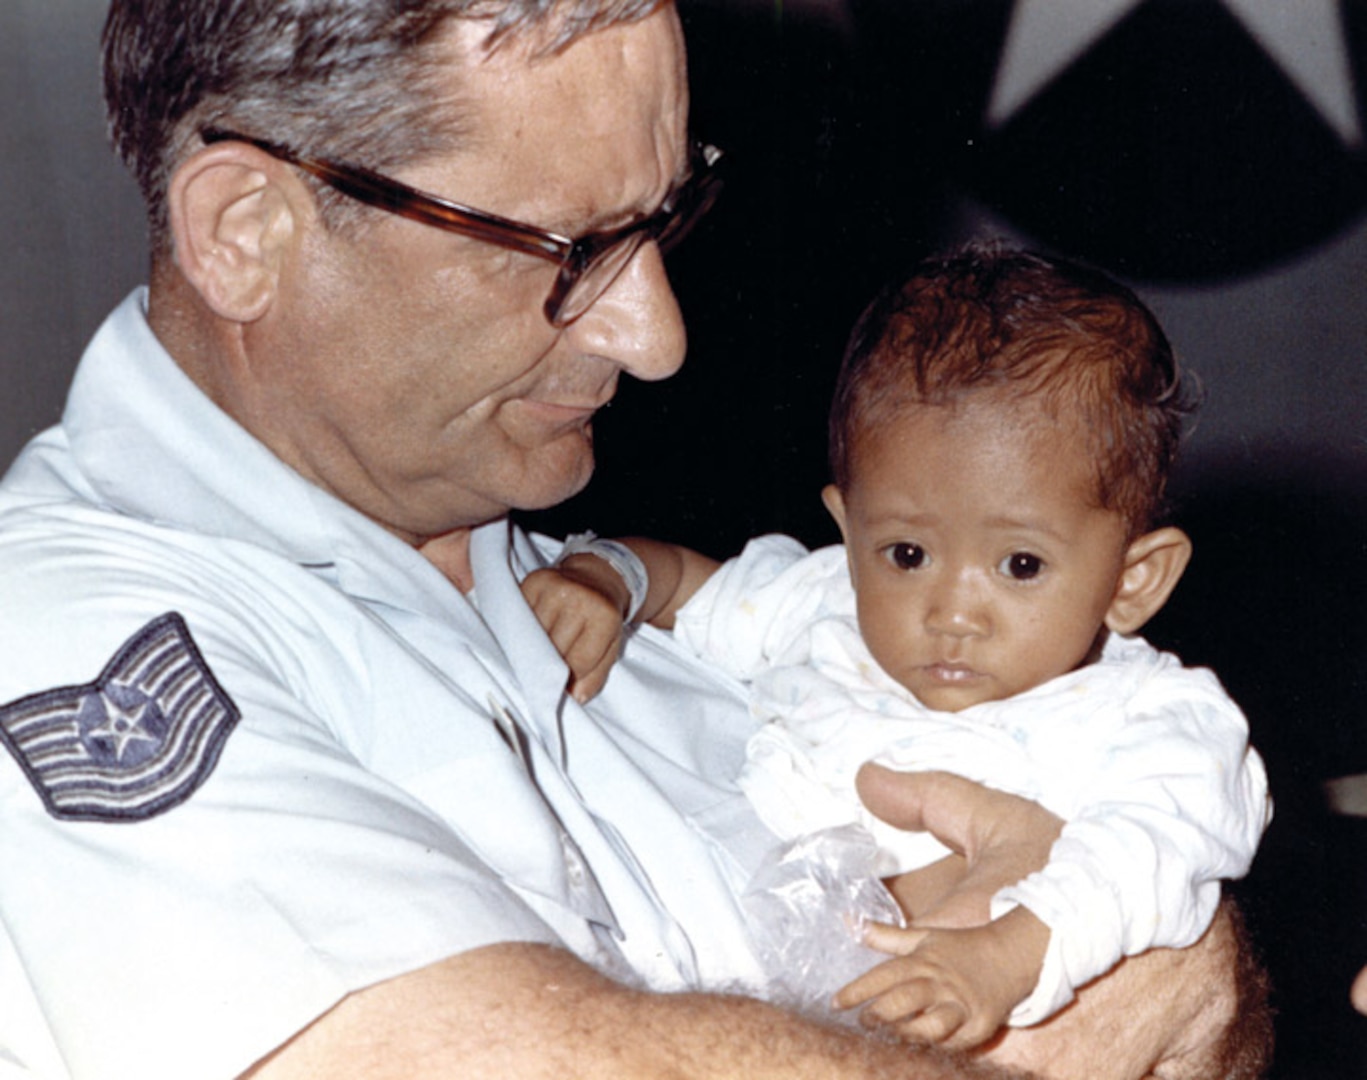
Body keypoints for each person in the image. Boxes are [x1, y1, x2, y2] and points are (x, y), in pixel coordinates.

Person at [0, 2, 1267, 1077]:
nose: (654, 338)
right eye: (573, 249)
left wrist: (1186, 957)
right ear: (247, 233)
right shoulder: (73, 641)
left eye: (663, 225)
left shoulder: (599, 595)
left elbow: (1192, 978)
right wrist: (1125, 984)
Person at [522, 246, 1270, 1048]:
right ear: (848, 534)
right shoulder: (825, 607)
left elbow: (1143, 861)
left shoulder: (1155, 723)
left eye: (1019, 565)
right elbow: (683, 585)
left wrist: (1005, 955)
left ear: (1133, 579)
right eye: (906, 554)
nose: (951, 611)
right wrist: (608, 577)